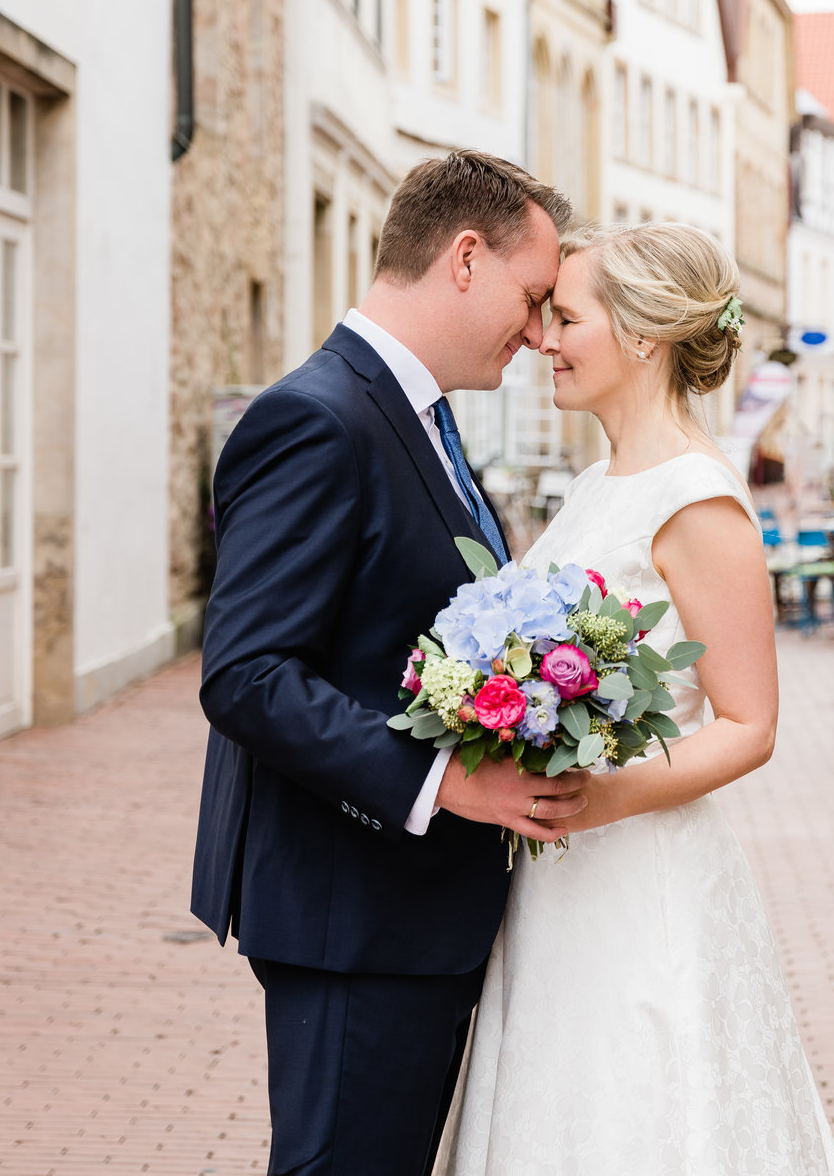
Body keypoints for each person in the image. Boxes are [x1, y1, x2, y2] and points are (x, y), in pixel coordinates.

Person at [190, 150, 592, 1176]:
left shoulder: (420, 417)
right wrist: (445, 781)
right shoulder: (318, 419)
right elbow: (246, 672)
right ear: (465, 258)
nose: (539, 332)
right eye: (533, 297)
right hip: (350, 910)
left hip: (405, 912)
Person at [439, 223, 834, 1176]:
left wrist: (605, 795)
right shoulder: (593, 484)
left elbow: (751, 726)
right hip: (558, 875)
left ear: (643, 337)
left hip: (642, 873)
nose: (544, 339)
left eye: (567, 318)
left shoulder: (696, 500)